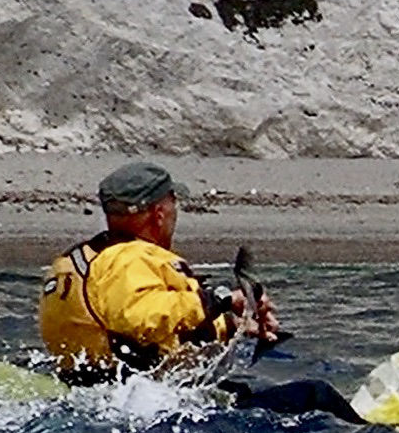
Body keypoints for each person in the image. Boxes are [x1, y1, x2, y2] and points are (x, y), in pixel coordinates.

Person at [39, 160, 280, 382]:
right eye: (173, 201)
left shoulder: (83, 259)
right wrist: (221, 298)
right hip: (129, 393)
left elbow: (151, 321)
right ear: (159, 214)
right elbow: (142, 318)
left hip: (91, 382)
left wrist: (234, 324)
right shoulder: (129, 259)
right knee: (295, 396)